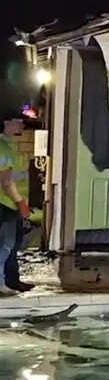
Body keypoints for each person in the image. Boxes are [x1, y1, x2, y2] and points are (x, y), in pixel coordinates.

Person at [0, 109, 32, 296]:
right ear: (6, 123)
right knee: (6, 245)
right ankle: (2, 284)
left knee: (12, 244)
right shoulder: (3, 147)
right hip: (6, 203)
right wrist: (20, 202)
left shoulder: (9, 145)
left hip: (11, 203)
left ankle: (11, 280)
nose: (22, 124)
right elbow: (6, 180)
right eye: (18, 121)